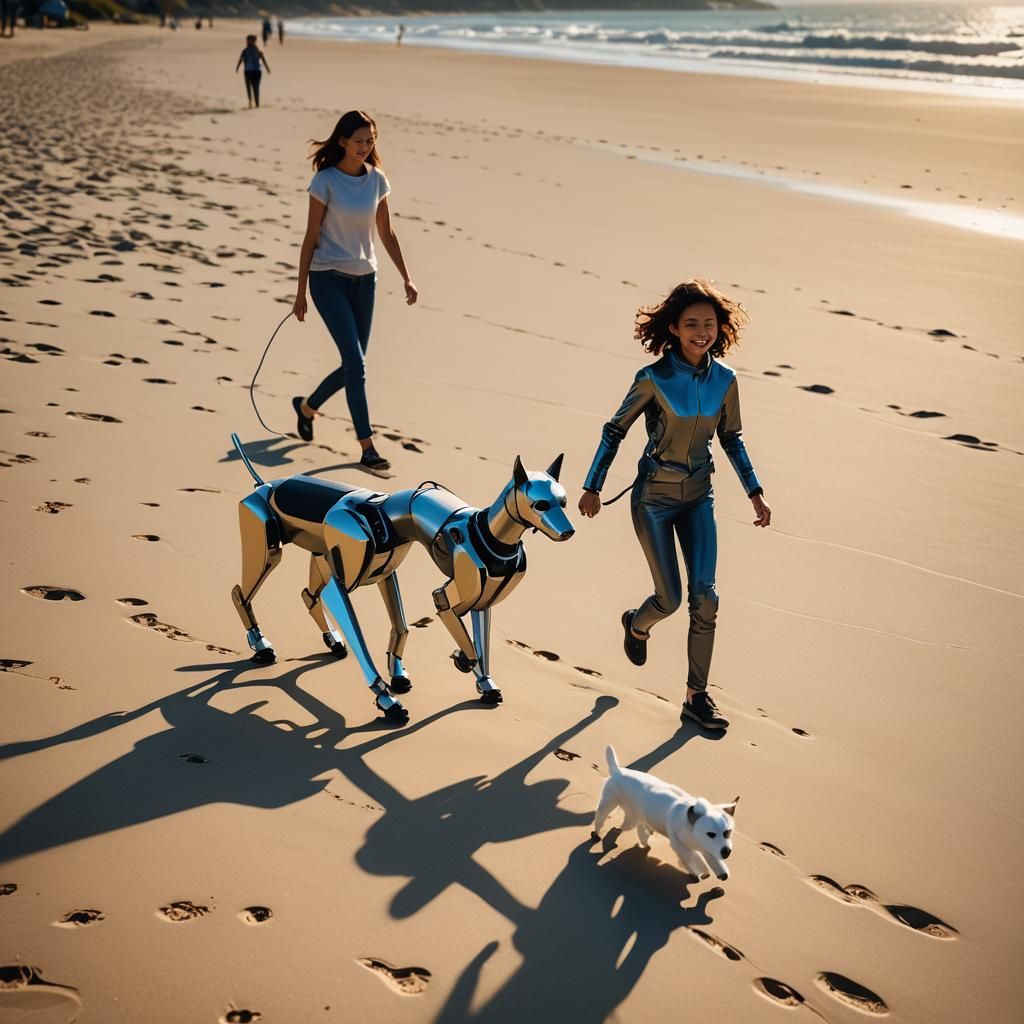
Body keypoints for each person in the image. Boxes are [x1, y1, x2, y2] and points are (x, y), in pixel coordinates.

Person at [578, 279, 771, 731]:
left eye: (709, 324)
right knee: (669, 599)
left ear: (720, 328)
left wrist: (755, 491)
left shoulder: (726, 380)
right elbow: (614, 430)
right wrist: (592, 485)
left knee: (706, 599)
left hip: (699, 497)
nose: (702, 332)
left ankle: (696, 697)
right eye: (691, 324)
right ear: (674, 328)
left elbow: (732, 438)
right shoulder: (653, 378)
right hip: (654, 501)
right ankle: (637, 624)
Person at [291, 111, 417, 470]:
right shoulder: (325, 181)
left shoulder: (377, 180)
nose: (365, 146)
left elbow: (386, 233)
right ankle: (367, 447)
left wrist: (406, 277)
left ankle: (307, 408)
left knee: (353, 364)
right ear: (343, 141)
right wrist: (300, 292)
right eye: (359, 140)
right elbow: (310, 237)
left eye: (371, 140)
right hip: (327, 279)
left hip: (365, 281)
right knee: (357, 365)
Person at [235, 34, 270, 110]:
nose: (247, 42)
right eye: (248, 40)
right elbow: (241, 59)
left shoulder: (257, 51)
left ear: (253, 41)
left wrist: (267, 68)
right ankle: (251, 101)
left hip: (256, 71)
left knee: (255, 87)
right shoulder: (246, 51)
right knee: (249, 87)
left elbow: (263, 60)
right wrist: (237, 67)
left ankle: (256, 103)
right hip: (249, 71)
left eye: (249, 40)